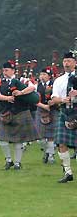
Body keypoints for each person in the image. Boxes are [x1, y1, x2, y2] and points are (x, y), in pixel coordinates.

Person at [0, 61, 40, 170]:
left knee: (18, 140)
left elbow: (33, 88)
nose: (4, 72)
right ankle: (8, 160)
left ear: (13, 71)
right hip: (5, 112)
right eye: (3, 70)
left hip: (20, 112)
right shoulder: (0, 82)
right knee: (2, 140)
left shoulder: (22, 80)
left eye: (7, 70)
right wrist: (7, 98)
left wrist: (21, 92)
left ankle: (17, 163)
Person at [51, 51, 77, 183]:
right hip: (65, 112)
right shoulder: (59, 80)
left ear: (75, 63)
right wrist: (62, 99)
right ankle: (67, 172)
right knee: (61, 143)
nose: (66, 63)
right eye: (65, 61)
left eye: (69, 61)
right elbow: (54, 98)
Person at [35, 67, 56, 164]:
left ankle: (51, 155)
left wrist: (51, 104)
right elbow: (34, 100)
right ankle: (46, 152)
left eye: (44, 75)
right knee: (41, 136)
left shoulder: (54, 85)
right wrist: (43, 106)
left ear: (49, 76)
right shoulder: (36, 86)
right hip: (40, 110)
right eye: (41, 74)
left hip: (53, 110)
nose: (42, 77)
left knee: (51, 136)